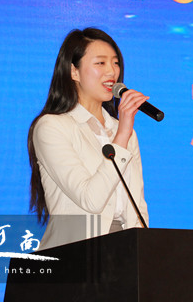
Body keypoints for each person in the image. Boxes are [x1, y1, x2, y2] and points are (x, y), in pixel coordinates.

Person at [27, 27, 149, 250]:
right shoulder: (51, 127)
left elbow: (137, 205)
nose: (111, 71)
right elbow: (90, 200)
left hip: (124, 251)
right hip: (76, 252)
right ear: (74, 72)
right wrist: (123, 134)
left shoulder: (123, 130)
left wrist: (144, 252)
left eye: (115, 63)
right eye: (100, 63)